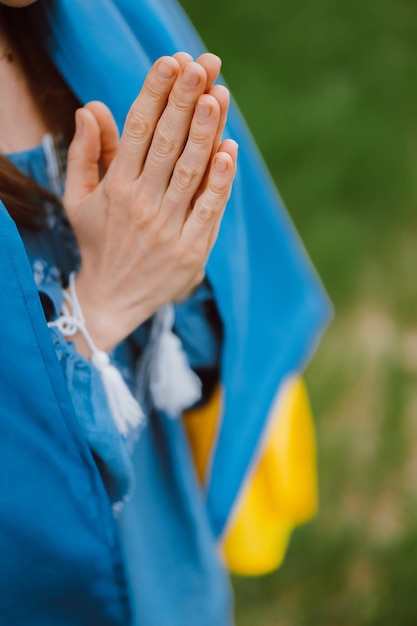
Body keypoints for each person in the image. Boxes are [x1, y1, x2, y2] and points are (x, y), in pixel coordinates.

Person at [0, 1, 332, 625]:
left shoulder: (103, 20)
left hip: (167, 565)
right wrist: (94, 312)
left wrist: (165, 256)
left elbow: (209, 337)